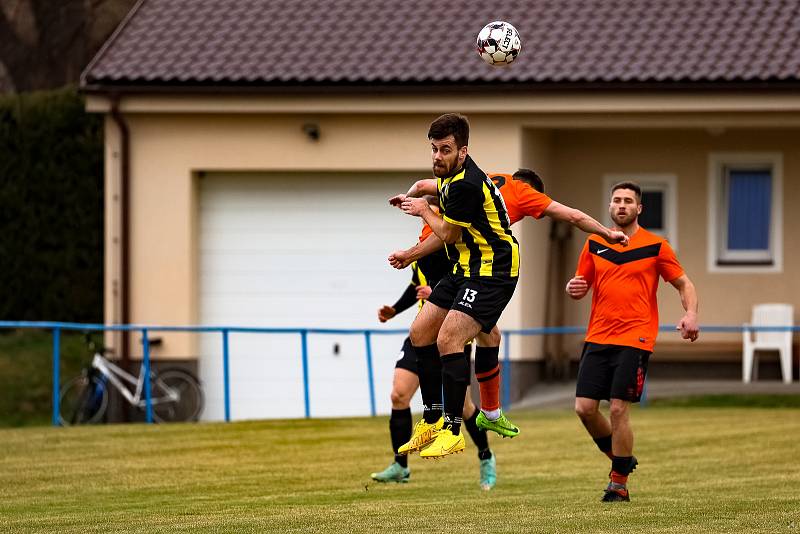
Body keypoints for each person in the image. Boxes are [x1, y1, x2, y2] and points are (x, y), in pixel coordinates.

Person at [388, 169, 629, 439]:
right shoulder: (523, 193)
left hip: (439, 248)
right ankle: (449, 425)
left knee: (490, 334)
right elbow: (573, 215)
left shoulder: (486, 179)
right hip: (454, 261)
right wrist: (607, 233)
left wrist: (406, 204)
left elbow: (422, 184)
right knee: (451, 339)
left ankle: (483, 413)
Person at [565, 181, 699, 502]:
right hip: (598, 335)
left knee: (618, 408)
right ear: (610, 207)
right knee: (584, 408)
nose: (621, 205)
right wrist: (577, 287)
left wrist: (691, 314)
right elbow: (582, 281)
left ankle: (618, 483)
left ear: (639, 208)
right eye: (616, 201)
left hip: (635, 337)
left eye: (628, 201)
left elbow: (684, 284)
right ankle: (621, 460)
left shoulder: (656, 246)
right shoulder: (595, 242)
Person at [370, 223, 498, 489]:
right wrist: (394, 310)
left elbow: (467, 292)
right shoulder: (421, 252)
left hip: (453, 337)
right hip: (422, 337)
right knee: (399, 394)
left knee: (463, 408)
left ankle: (486, 456)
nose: (425, 224)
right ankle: (400, 465)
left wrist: (437, 294)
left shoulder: (460, 251)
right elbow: (415, 285)